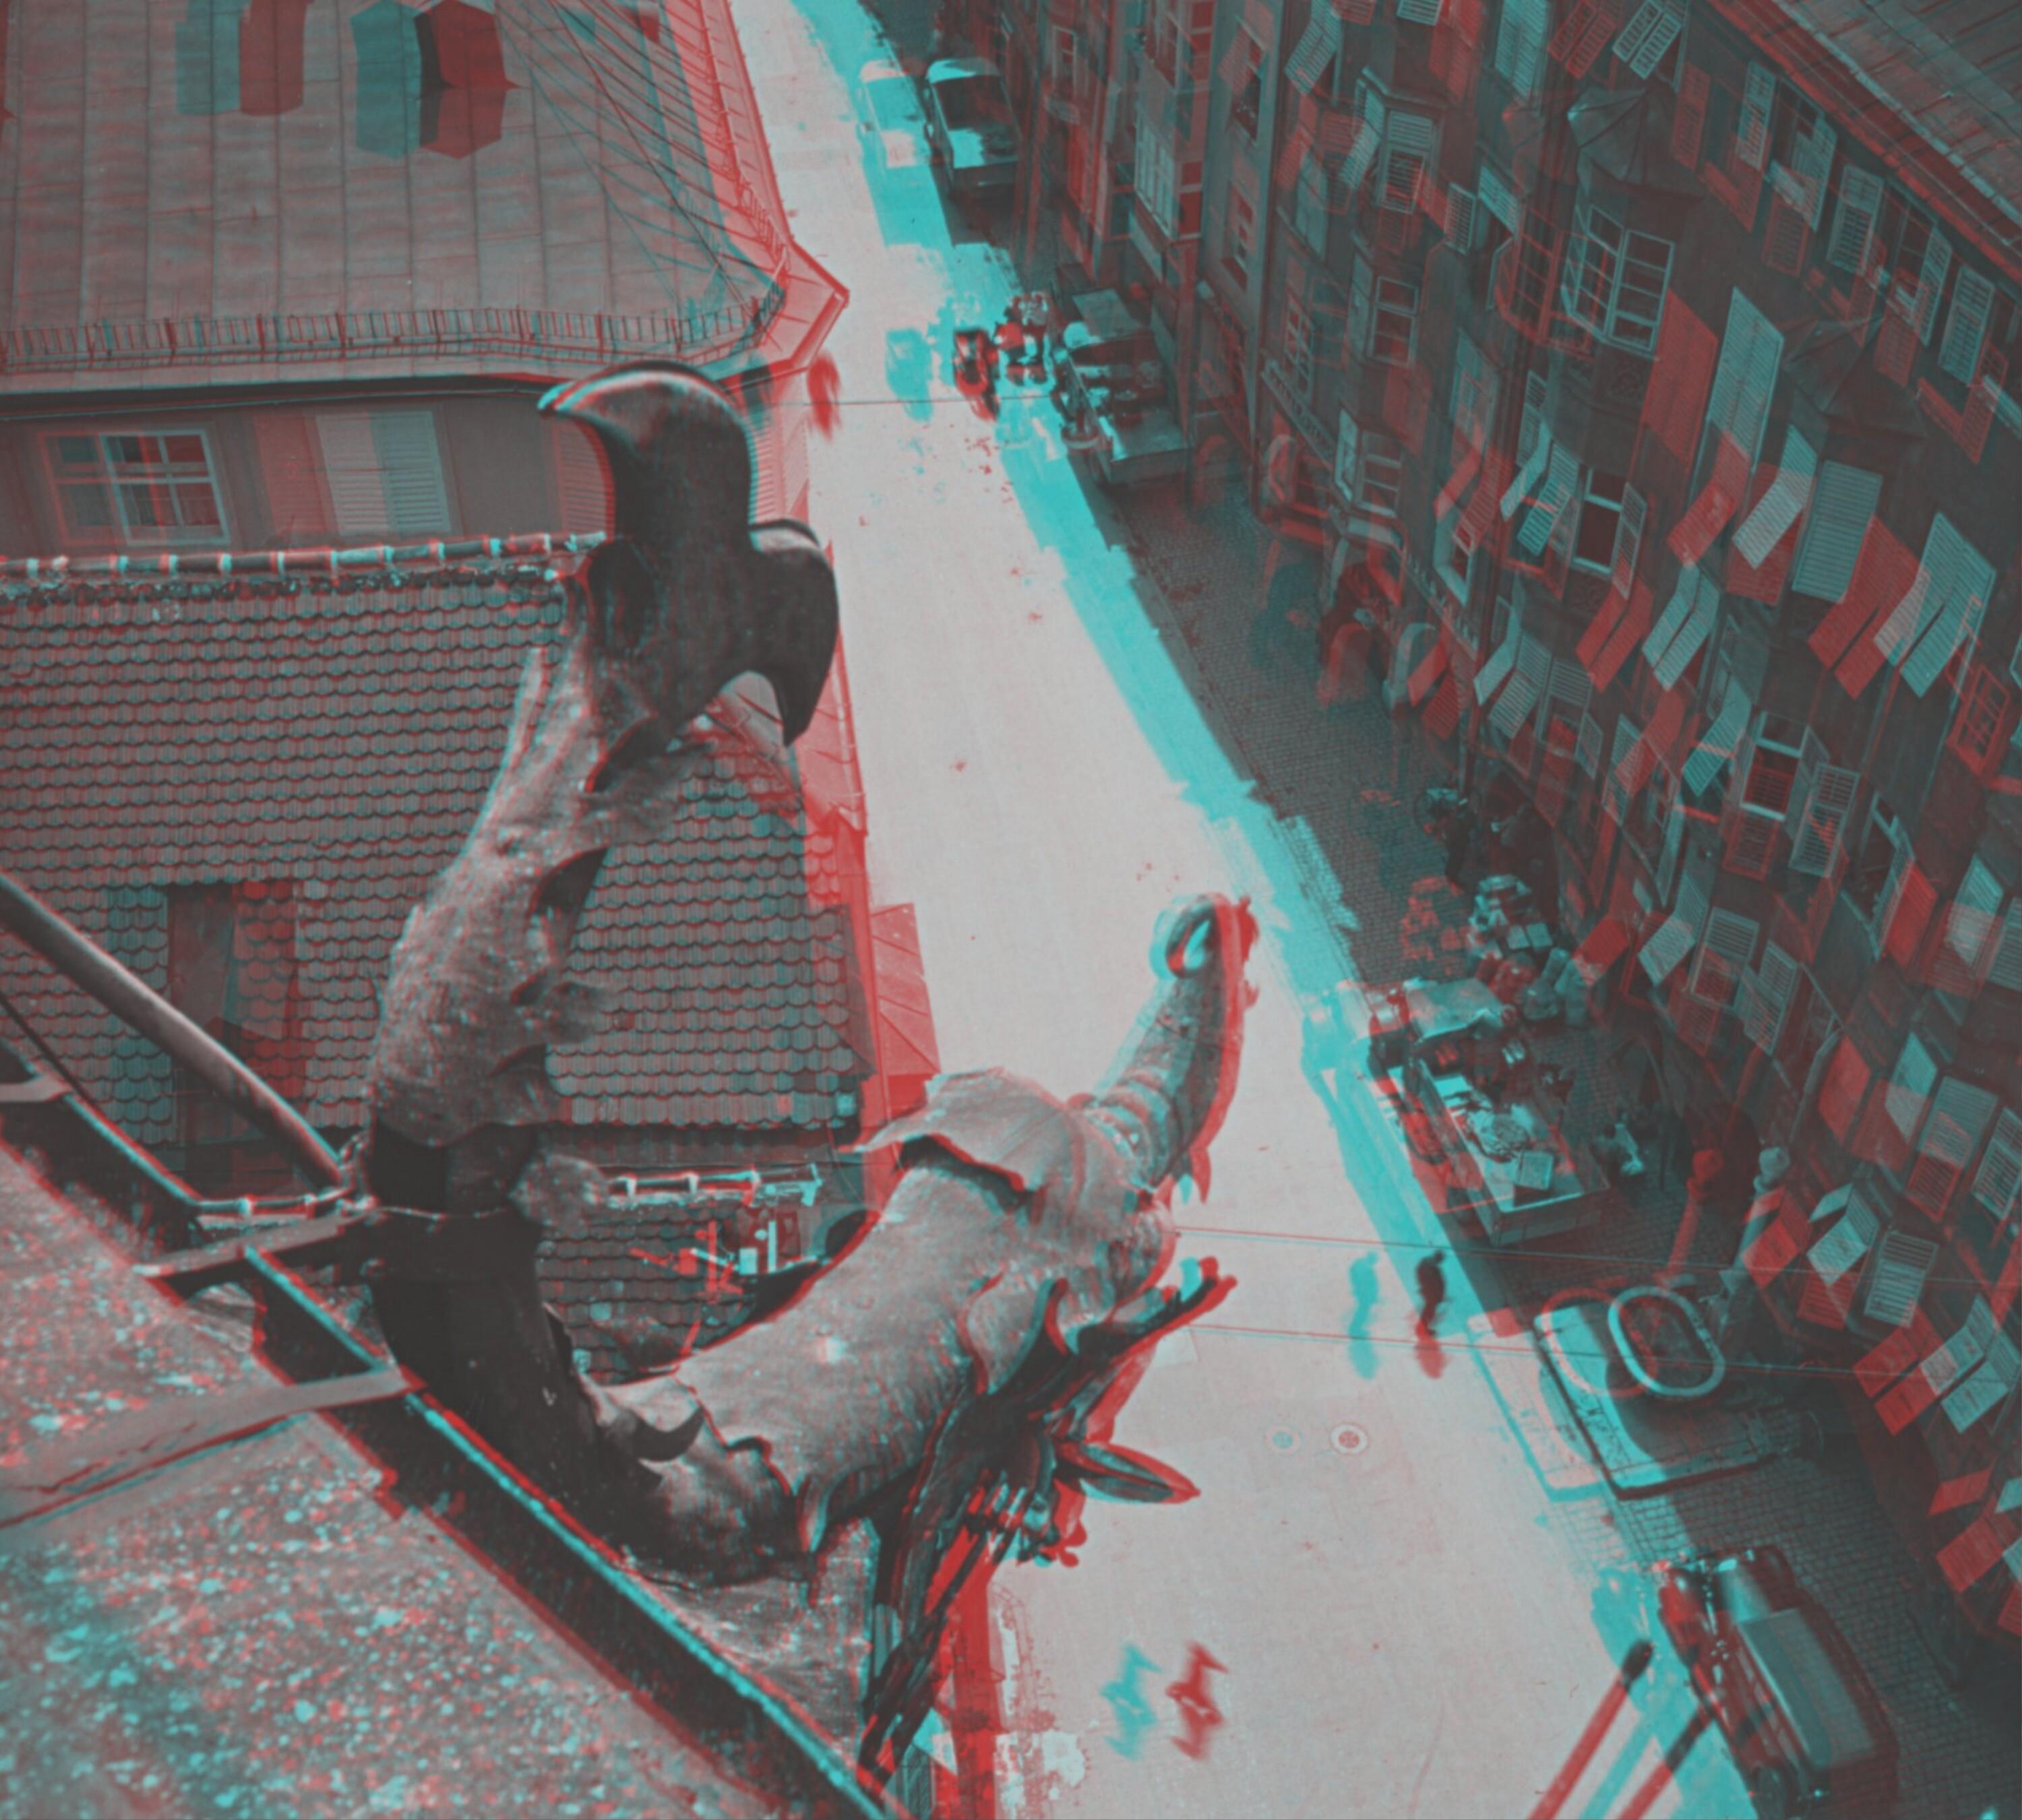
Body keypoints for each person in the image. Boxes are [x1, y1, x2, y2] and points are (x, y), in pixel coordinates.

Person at [1415, 1249, 1448, 1336]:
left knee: (1429, 1310)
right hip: (1431, 1294)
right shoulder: (1431, 1267)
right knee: (1429, 1310)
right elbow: (1435, 1282)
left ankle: (1423, 1328)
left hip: (1431, 1293)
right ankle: (1422, 1328)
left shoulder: (1428, 1265)